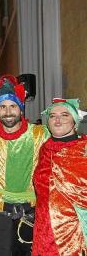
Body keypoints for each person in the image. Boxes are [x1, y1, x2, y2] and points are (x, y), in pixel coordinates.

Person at [0, 75, 50, 256]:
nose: (8, 112)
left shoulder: (40, 134)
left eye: (13, 106)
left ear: (21, 109)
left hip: (31, 210)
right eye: (3, 107)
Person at [32, 98, 87, 256]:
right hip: (43, 233)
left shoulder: (84, 149)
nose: (57, 119)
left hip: (75, 236)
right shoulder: (44, 149)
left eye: (64, 115)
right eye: (52, 115)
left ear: (75, 122)